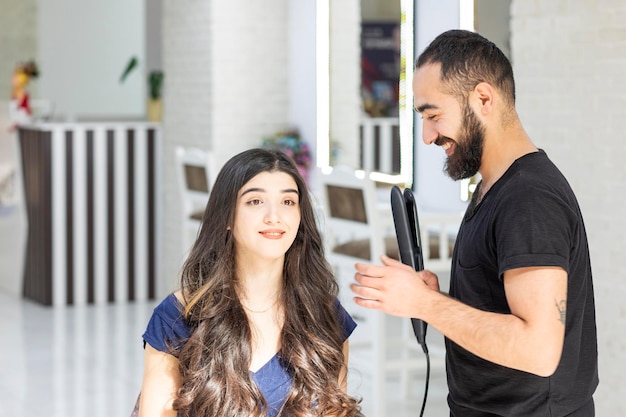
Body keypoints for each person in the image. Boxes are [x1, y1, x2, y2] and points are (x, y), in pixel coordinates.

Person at [351, 29, 598, 417]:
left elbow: (538, 350)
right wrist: (441, 300)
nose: (428, 136)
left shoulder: (529, 199)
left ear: (483, 98)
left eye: (433, 115)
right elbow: (503, 316)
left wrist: (427, 304)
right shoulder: (493, 186)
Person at [138, 148, 362, 417]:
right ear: (227, 217)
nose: (274, 216)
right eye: (255, 201)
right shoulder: (178, 317)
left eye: (288, 202)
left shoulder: (326, 316)